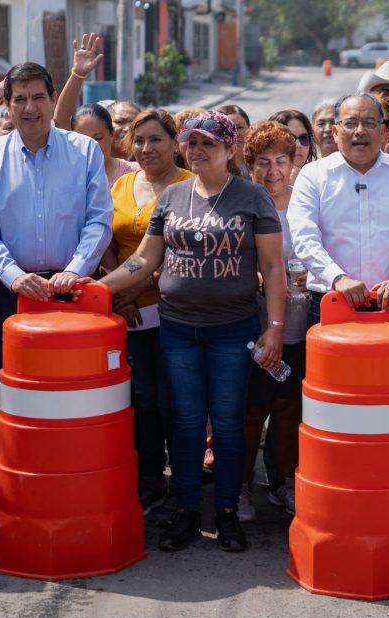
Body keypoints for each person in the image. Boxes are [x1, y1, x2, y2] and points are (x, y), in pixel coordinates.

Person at [97, 111, 286, 553]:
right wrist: (95, 287)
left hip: (231, 329)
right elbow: (144, 259)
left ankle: (224, 512)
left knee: (226, 424)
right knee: (183, 423)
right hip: (178, 328)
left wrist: (274, 327)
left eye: (208, 143)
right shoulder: (173, 197)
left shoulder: (252, 198)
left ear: (229, 149)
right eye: (191, 142)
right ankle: (185, 510)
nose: (197, 151)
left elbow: (274, 268)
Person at [0, 63, 113, 537]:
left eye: (38, 97)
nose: (29, 108)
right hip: (11, 293)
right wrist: (13, 275)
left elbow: (98, 219)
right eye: (19, 99)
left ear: (54, 98)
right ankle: (11, 500)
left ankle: (69, 491)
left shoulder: (84, 150)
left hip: (72, 291)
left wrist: (76, 270)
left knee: (71, 399)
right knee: (11, 399)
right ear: (7, 104)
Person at [105, 109, 193, 513]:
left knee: (172, 402)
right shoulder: (122, 184)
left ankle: (185, 483)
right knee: (140, 400)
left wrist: (134, 289)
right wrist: (113, 290)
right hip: (124, 312)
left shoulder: (190, 186)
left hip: (173, 310)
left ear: (175, 143)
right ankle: (151, 477)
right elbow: (108, 240)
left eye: (156, 139)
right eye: (139, 141)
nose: (146, 148)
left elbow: (184, 254)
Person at [286, 93, 389, 321]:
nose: (359, 131)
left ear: (383, 131)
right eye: (350, 123)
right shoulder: (313, 175)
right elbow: (304, 237)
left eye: (369, 123)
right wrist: (338, 278)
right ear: (335, 132)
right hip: (332, 300)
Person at [237, 121, 305, 520]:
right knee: (250, 410)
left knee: (287, 408)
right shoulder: (241, 202)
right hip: (251, 323)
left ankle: (282, 482)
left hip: (298, 322)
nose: (273, 171)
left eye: (282, 160)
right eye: (263, 162)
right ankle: (242, 486)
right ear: (248, 166)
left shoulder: (307, 204)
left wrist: (309, 273)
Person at [72, 103, 138, 187]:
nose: (90, 145)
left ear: (112, 135)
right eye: (82, 139)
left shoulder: (136, 172)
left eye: (98, 138)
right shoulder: (66, 175)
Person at [270, 109, 318, 173]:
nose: (298, 145)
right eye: (290, 138)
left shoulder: (320, 178)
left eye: (304, 138)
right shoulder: (258, 181)